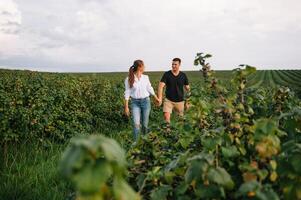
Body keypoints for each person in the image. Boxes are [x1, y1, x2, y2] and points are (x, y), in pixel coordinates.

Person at [124, 60, 159, 142]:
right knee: (136, 125)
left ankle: (145, 142)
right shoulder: (129, 79)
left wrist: (155, 97)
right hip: (135, 103)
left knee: (145, 125)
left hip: (146, 102)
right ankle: (136, 144)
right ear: (140, 67)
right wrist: (126, 107)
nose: (145, 67)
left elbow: (149, 88)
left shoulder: (145, 77)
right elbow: (127, 92)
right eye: (144, 66)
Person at [157, 58, 190, 124]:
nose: (173, 66)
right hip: (169, 100)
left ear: (179, 64)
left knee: (180, 121)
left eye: (175, 64)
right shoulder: (167, 74)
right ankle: (168, 132)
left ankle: (178, 134)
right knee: (166, 118)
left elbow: (188, 89)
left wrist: (188, 101)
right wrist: (160, 99)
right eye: (172, 64)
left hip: (180, 101)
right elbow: (160, 86)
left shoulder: (183, 75)